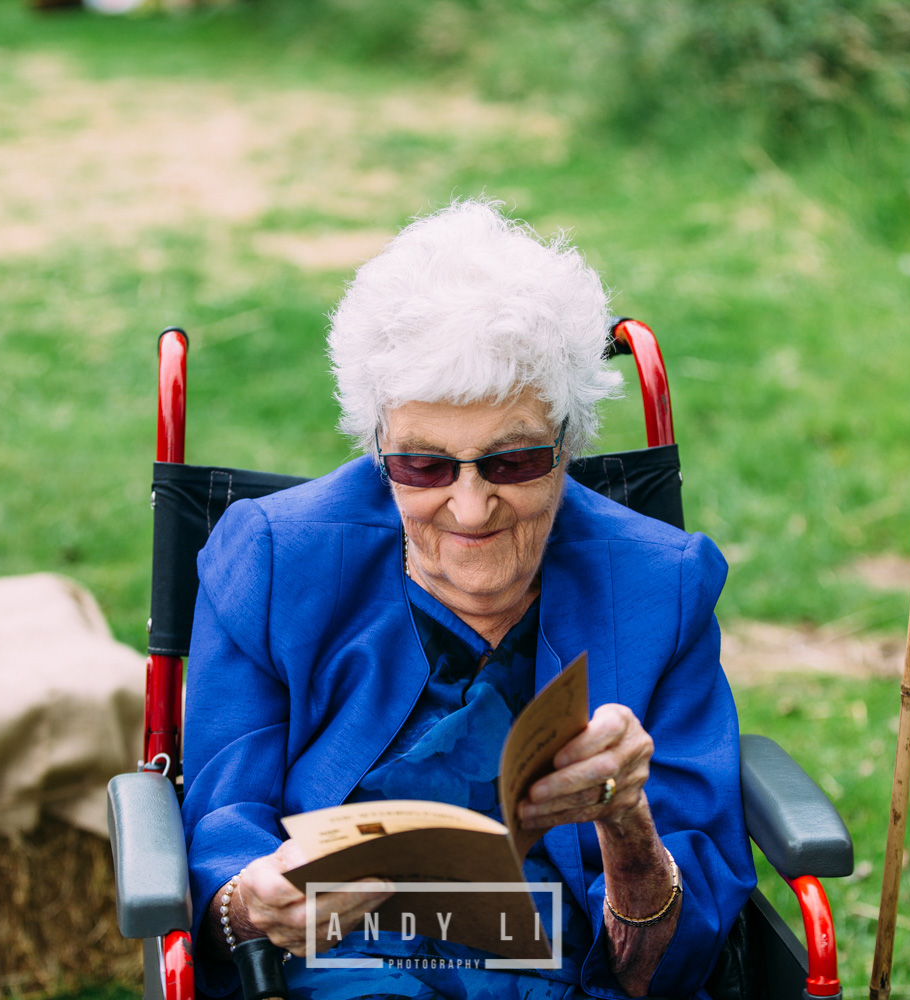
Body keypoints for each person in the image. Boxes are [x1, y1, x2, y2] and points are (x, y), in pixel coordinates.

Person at [180, 200, 755, 1000]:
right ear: (377, 445)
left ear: (568, 443)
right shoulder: (276, 562)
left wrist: (627, 828)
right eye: (424, 467)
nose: (472, 508)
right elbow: (222, 824)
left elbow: (673, 963)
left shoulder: (665, 585)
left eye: (514, 461)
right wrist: (251, 901)